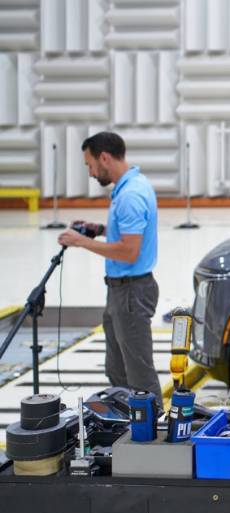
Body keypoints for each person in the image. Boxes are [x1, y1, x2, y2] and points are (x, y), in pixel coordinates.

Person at [57, 131, 161, 398]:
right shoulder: (131, 186)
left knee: (139, 376)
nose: (91, 173)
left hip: (131, 293)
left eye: (90, 165)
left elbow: (129, 252)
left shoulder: (130, 195)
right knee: (117, 370)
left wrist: (81, 241)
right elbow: (128, 237)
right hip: (121, 291)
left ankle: (149, 434)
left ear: (104, 158)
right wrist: (101, 229)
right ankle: (126, 425)